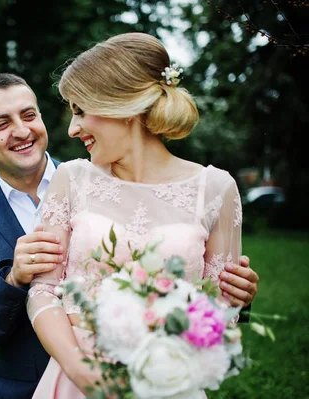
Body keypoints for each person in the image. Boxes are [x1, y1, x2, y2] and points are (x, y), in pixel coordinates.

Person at [0, 72, 258, 399]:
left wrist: (236, 294)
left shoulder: (93, 178)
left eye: (29, 115)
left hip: (158, 378)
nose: (22, 131)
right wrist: (12, 281)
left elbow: (185, 263)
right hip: (36, 388)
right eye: (1, 124)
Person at [26, 32, 259, 398]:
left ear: (122, 104)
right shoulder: (71, 179)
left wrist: (238, 301)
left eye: (80, 111)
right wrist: (84, 373)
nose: (72, 130)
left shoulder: (216, 189)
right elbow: (42, 290)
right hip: (74, 384)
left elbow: (222, 306)